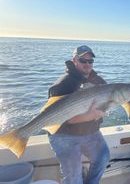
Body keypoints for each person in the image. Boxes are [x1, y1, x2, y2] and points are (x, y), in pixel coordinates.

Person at [47, 45, 110, 184]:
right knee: (73, 177)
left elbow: (109, 98)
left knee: (103, 157)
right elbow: (59, 121)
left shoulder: (98, 81)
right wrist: (91, 115)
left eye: (90, 61)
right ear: (74, 60)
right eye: (83, 60)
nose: (87, 64)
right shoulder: (62, 84)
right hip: (63, 134)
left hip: (89, 131)